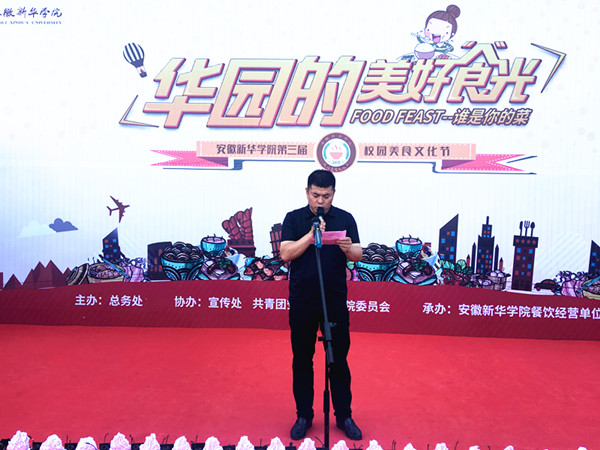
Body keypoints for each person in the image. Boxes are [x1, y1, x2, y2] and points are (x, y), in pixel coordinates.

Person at [280, 170, 363, 441]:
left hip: (334, 301)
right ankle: (303, 415)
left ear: (333, 194)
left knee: (338, 359)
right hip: (303, 300)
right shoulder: (294, 219)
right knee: (302, 359)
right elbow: (285, 253)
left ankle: (344, 415)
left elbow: (358, 254)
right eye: (315, 194)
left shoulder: (345, 218)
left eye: (326, 196)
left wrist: (348, 248)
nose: (320, 201)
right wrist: (310, 235)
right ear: (307, 192)